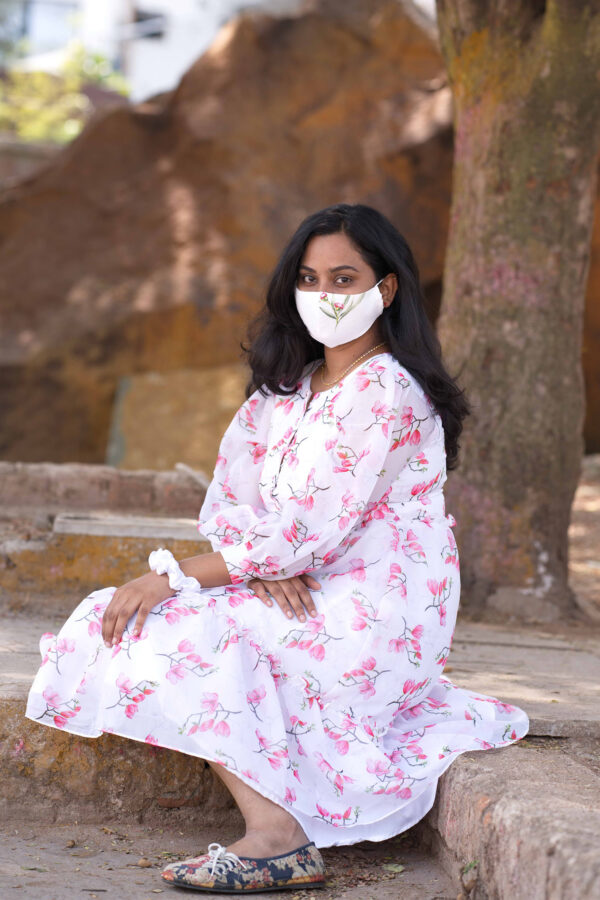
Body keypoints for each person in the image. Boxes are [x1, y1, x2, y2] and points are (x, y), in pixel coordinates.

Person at [26, 203, 529, 894]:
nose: (325, 295)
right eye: (309, 278)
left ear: (385, 289)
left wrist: (180, 575)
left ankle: (276, 838)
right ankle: (277, 830)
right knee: (124, 617)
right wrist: (258, 569)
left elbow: (305, 533)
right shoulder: (285, 391)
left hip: (374, 611)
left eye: (345, 279)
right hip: (297, 588)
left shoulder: (387, 389)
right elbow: (230, 505)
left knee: (177, 622)